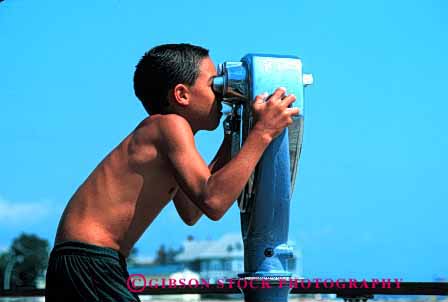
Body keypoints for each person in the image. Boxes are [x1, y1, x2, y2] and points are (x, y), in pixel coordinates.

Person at [45, 43, 299, 301]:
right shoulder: (169, 126)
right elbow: (214, 202)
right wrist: (263, 132)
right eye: (214, 85)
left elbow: (192, 210)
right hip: (89, 261)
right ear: (181, 94)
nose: (222, 93)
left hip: (86, 260)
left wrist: (232, 136)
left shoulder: (162, 137)